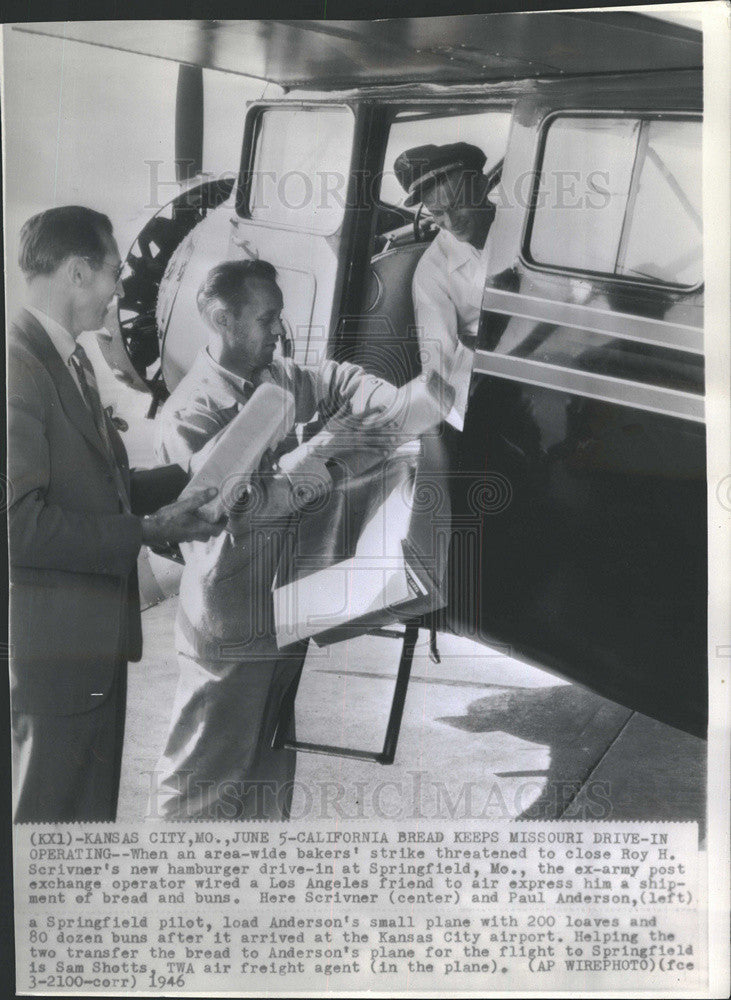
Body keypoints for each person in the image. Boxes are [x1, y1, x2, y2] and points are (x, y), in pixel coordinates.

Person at [150, 258, 400, 821]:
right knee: (200, 783)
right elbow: (236, 511)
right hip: (231, 627)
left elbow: (336, 379)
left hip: (281, 614)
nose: (278, 333)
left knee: (266, 786)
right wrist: (328, 454)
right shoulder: (189, 414)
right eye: (267, 320)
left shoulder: (280, 377)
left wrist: (386, 400)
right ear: (223, 319)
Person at [7, 205, 224, 823]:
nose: (117, 292)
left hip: (92, 647)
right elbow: (18, 526)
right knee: (46, 836)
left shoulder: (68, 359)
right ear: (77, 274)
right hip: (57, 657)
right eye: (110, 272)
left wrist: (197, 473)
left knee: (85, 826)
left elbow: (101, 486)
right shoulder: (18, 368)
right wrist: (149, 532)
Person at [394, 142, 497, 426]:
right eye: (437, 213)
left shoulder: (525, 231)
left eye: (457, 204)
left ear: (481, 186)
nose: (450, 222)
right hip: (477, 381)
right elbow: (437, 367)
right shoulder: (432, 270)